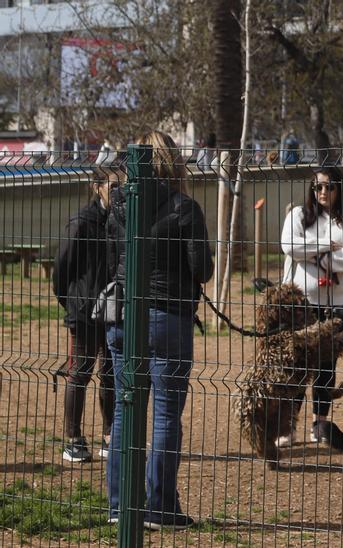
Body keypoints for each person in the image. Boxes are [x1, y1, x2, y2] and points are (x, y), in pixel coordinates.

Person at [104, 131, 214, 530]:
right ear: (174, 163)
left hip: (122, 316)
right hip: (167, 317)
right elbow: (202, 268)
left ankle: (120, 504)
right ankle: (161, 507)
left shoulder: (118, 204)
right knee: (166, 414)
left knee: (123, 409)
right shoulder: (185, 208)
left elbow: (112, 258)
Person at [278, 166, 343, 446]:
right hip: (303, 303)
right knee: (296, 365)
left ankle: (319, 422)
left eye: (328, 187)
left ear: (339, 188)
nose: (322, 192)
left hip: (339, 305)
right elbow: (288, 246)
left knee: (326, 366)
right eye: (317, 187)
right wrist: (326, 246)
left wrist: (315, 258)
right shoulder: (297, 216)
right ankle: (287, 425)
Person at [52, 166, 120, 463]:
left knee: (110, 374)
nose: (119, 192)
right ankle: (74, 438)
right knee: (79, 373)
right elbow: (61, 269)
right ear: (98, 187)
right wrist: (72, 303)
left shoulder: (121, 221)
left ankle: (109, 435)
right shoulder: (82, 221)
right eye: (113, 186)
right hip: (83, 311)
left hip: (114, 310)